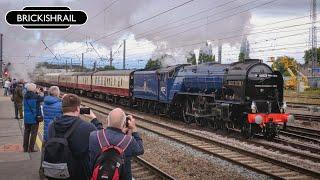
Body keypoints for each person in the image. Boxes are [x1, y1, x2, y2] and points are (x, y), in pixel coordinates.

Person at [46, 94, 102, 180]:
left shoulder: (51, 126)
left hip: (56, 173)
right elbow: (101, 138)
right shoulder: (87, 127)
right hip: (78, 174)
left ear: (62, 108)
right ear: (78, 109)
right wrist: (94, 119)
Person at [89, 108, 144, 180]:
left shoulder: (93, 136)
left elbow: (101, 132)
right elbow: (140, 150)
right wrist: (134, 129)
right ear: (124, 124)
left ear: (107, 120)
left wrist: (94, 119)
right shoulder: (129, 141)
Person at [23, 83, 44, 152]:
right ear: (33, 89)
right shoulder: (36, 96)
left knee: (26, 133)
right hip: (34, 118)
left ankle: (25, 148)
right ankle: (31, 148)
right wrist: (42, 92)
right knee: (34, 134)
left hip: (26, 117)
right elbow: (43, 98)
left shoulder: (25, 96)